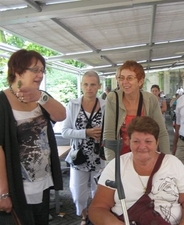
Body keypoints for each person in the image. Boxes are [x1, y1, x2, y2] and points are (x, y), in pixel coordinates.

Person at [88, 116, 184, 224]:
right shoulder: (116, 165)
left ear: (157, 142)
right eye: (136, 141)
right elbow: (97, 208)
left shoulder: (173, 163)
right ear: (128, 141)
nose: (142, 146)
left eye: (148, 141)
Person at [0, 49, 66, 225]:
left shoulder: (41, 97)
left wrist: (41, 97)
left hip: (42, 181)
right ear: (17, 70)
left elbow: (61, 115)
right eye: (35, 70)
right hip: (17, 186)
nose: (40, 75)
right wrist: (3, 192)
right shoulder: (2, 101)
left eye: (42, 70)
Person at [61, 71, 106, 225]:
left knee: (98, 190)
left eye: (93, 84)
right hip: (79, 155)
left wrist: (103, 136)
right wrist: (85, 133)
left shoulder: (106, 106)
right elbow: (65, 131)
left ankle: (95, 215)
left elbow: (111, 130)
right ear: (81, 85)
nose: (89, 88)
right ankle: (84, 214)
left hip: (99, 156)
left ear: (99, 86)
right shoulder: (73, 105)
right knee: (78, 192)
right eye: (86, 84)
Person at [103, 60, 170, 161]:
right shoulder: (112, 98)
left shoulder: (150, 100)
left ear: (140, 81)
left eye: (130, 78)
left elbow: (161, 133)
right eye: (122, 78)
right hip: (121, 159)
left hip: (146, 157)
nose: (124, 82)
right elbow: (109, 134)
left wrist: (166, 160)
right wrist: (112, 165)